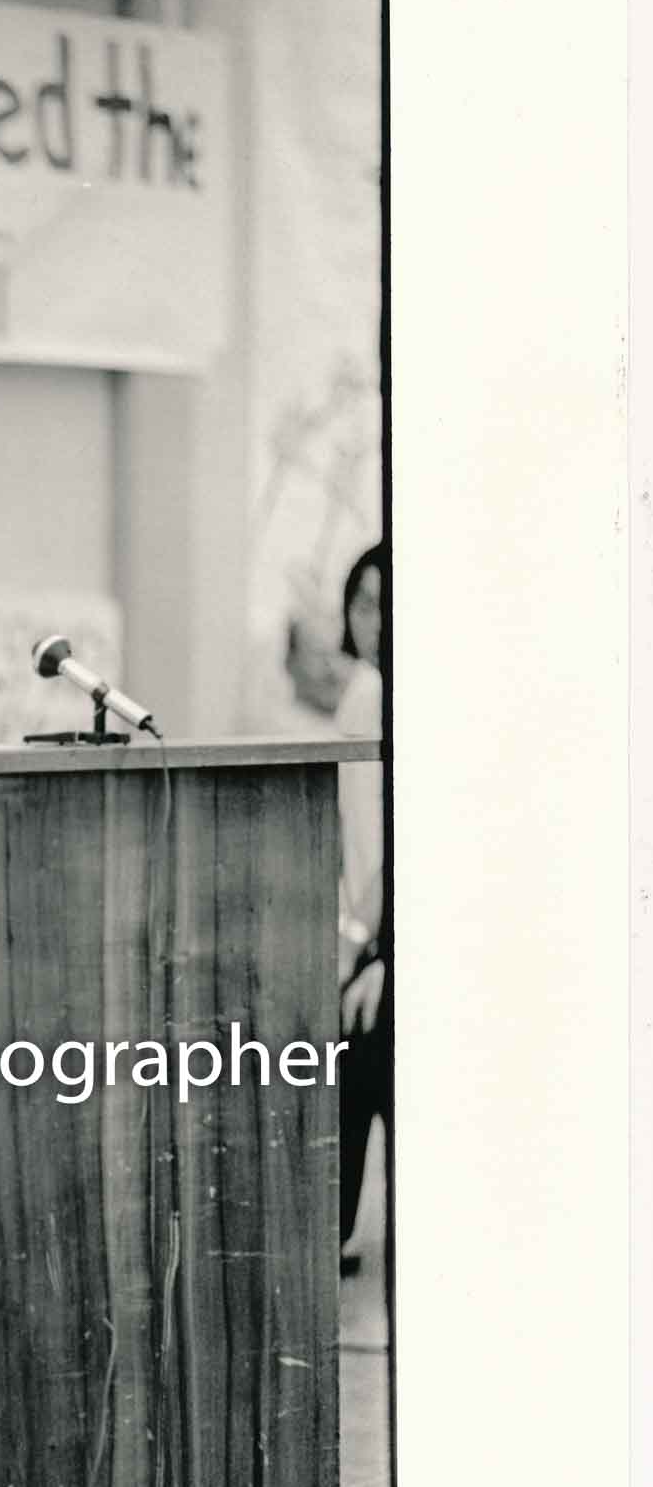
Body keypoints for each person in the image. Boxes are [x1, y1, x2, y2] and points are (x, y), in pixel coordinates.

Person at [334, 543, 387, 1273]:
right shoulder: (362, 690)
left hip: (379, 937)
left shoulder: (388, 692)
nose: (373, 620)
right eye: (363, 603)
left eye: (387, 605)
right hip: (361, 933)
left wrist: (363, 944)